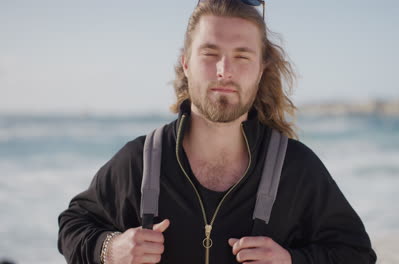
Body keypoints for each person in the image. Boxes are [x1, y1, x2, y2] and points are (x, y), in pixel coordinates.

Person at [58, 0, 377, 263]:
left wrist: (293, 261)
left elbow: (357, 254)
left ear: (261, 68)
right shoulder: (139, 162)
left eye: (242, 55)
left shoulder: (297, 170)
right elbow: (72, 226)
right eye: (210, 54)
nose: (224, 70)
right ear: (186, 63)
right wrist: (109, 249)